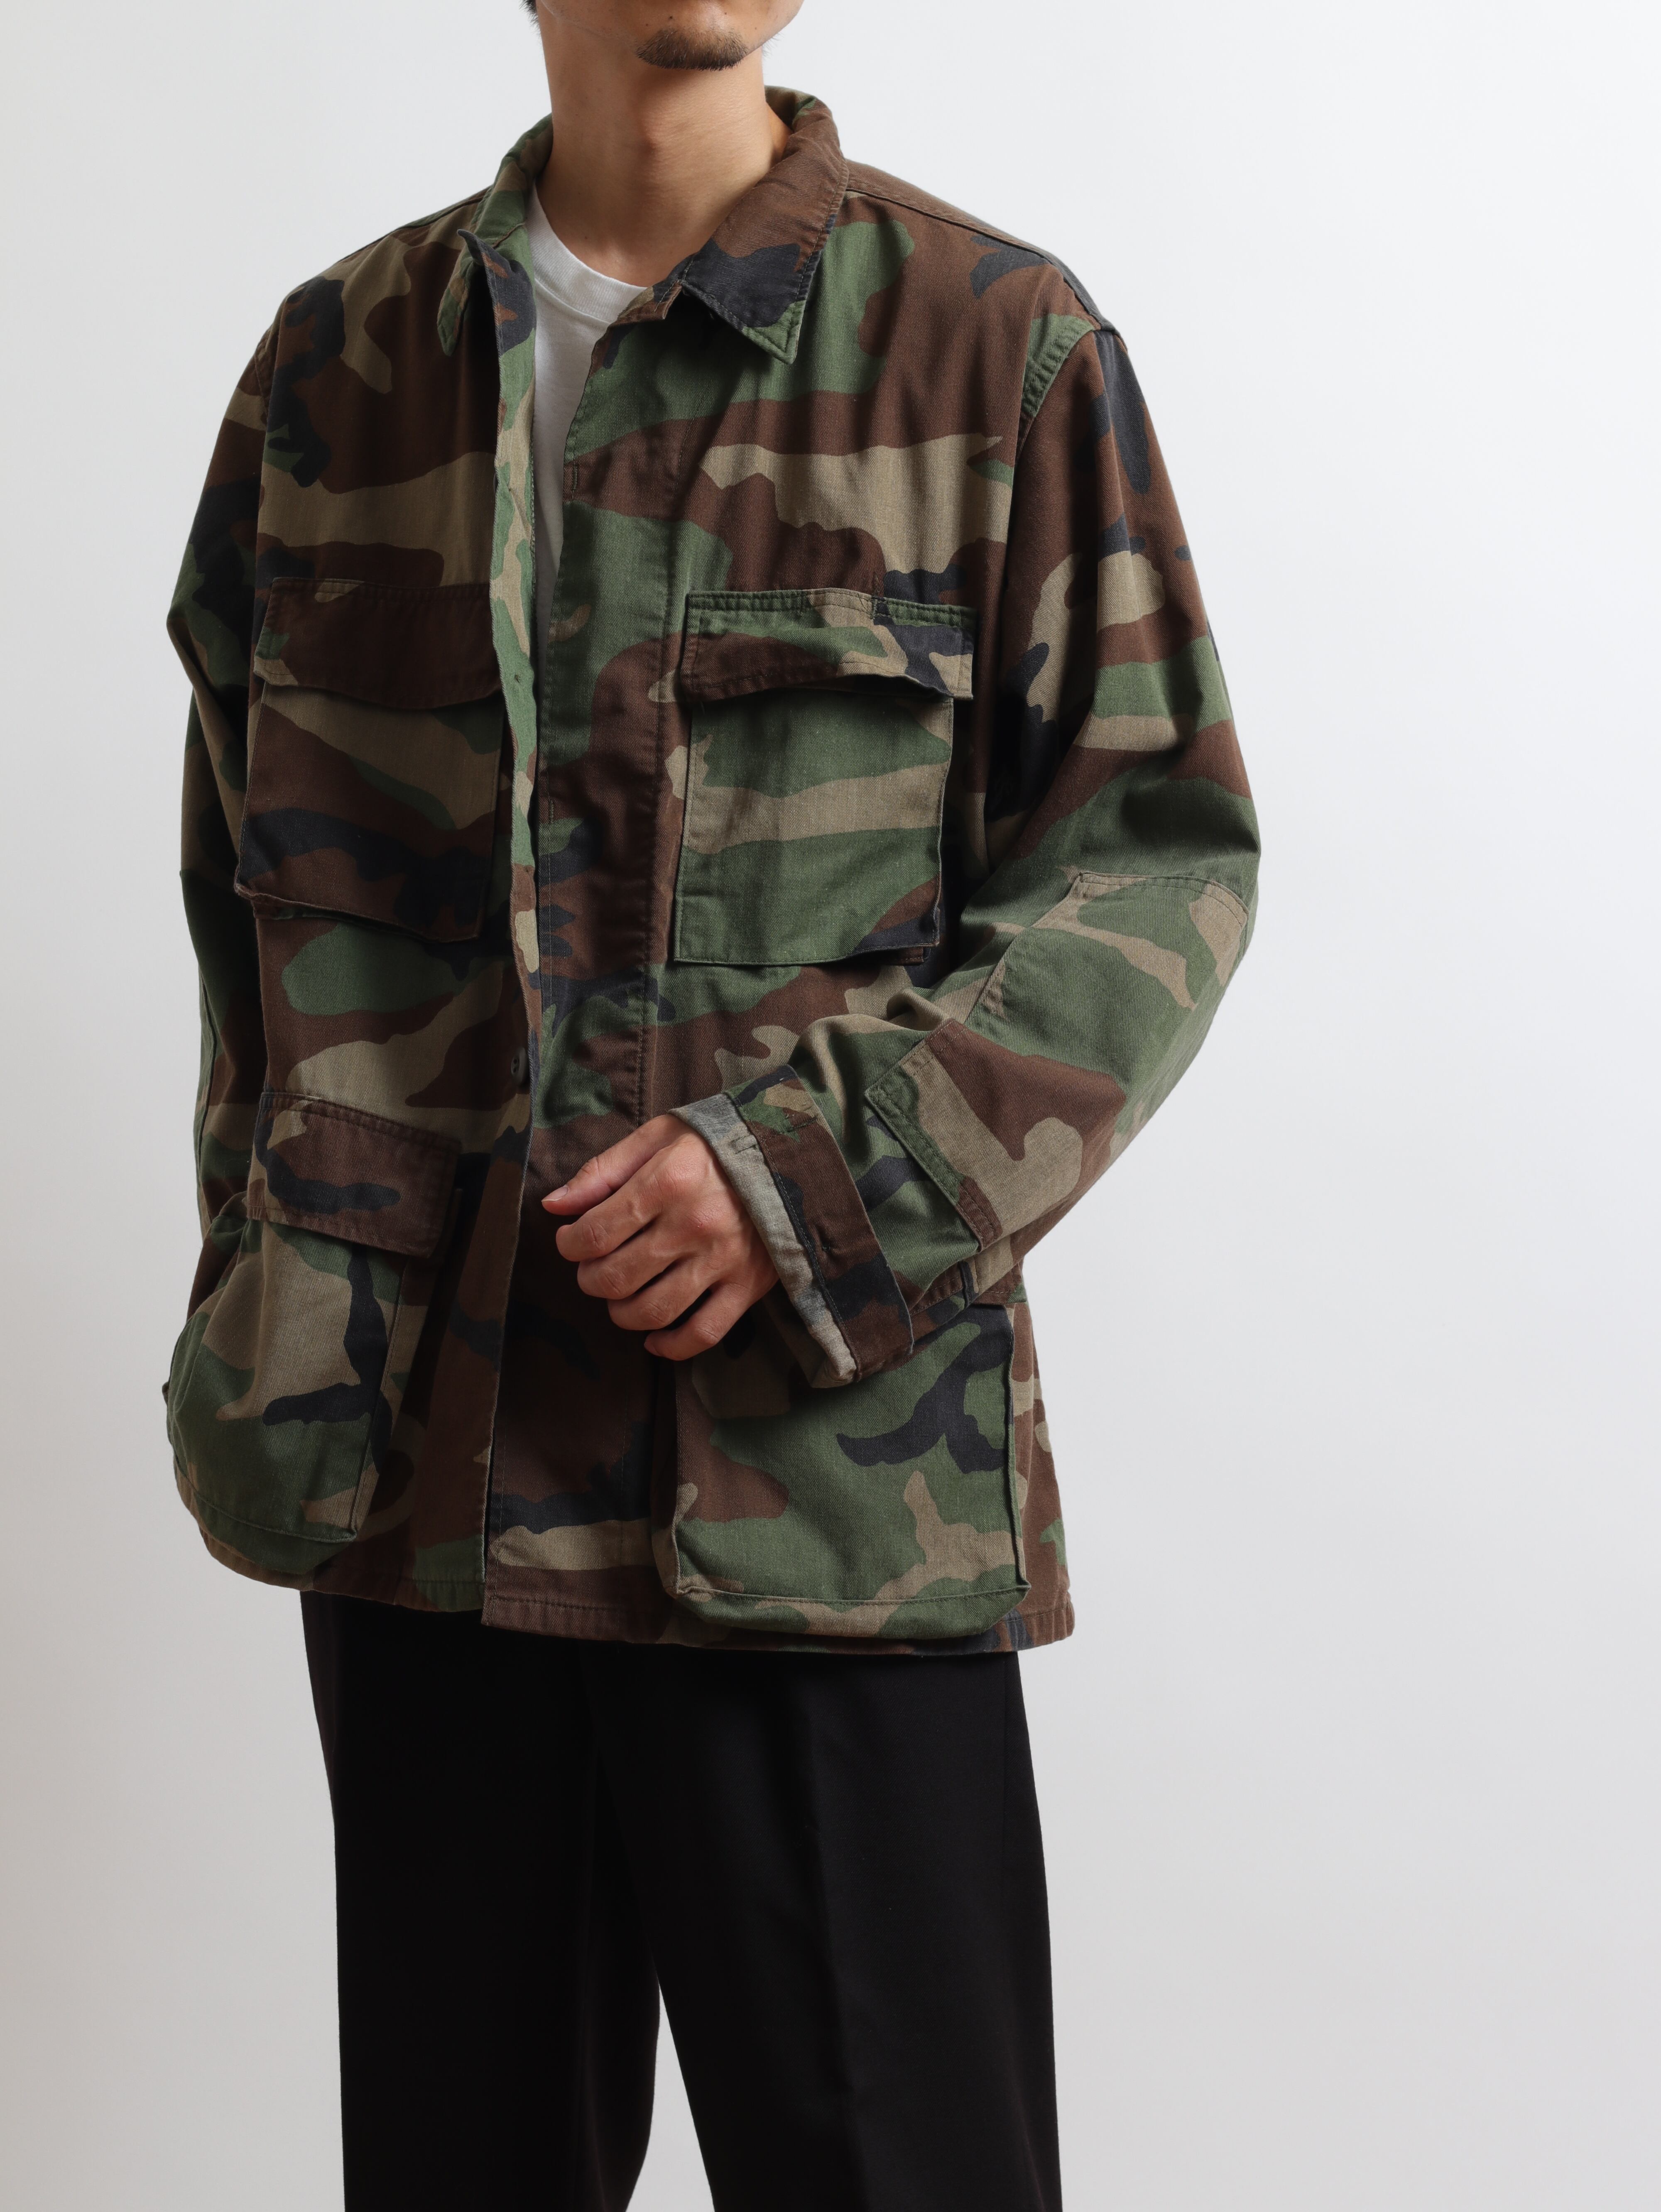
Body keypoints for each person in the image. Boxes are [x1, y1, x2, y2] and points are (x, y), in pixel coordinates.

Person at [163, 2, 1260, 2204]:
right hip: (424, 1500)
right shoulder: (339, 370)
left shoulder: (993, 349)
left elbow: (1152, 869)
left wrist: (807, 1181)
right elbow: (244, 907)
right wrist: (271, 1317)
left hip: (820, 1502)